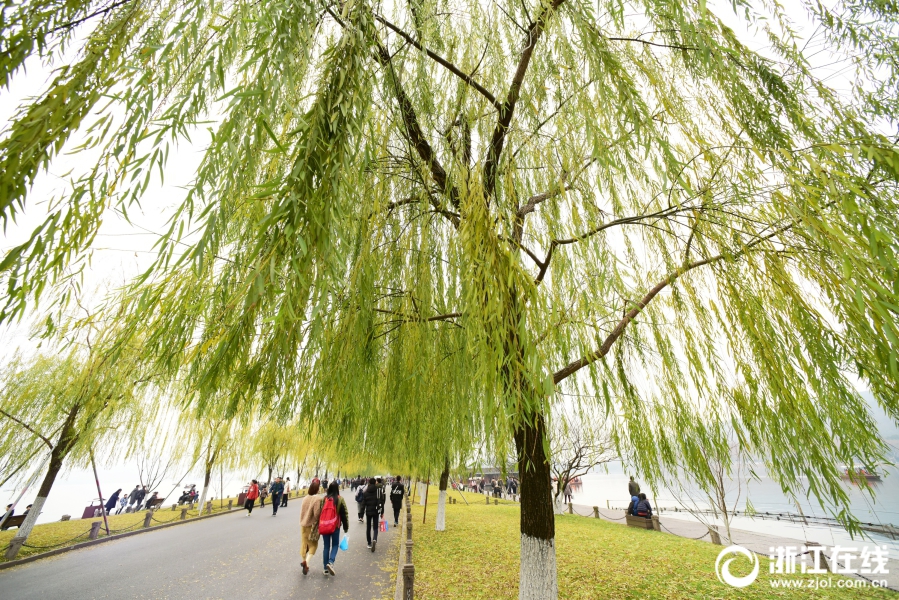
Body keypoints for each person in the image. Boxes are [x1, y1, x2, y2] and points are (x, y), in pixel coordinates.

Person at [319, 481, 349, 576]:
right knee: (335, 544)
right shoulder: (340, 499)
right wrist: (346, 527)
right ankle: (331, 562)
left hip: (325, 525)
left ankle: (325, 568)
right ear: (337, 489)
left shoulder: (324, 499)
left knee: (326, 546)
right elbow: (344, 514)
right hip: (335, 526)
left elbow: (320, 512)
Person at [299, 479, 322, 576]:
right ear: (317, 490)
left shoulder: (305, 498)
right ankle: (306, 563)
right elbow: (317, 514)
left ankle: (303, 560)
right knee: (313, 545)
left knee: (304, 544)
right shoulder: (318, 499)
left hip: (303, 524)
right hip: (312, 525)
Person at [363, 477, 384, 552]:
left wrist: (361, 514)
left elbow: (363, 504)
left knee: (368, 527)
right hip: (376, 511)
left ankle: (369, 543)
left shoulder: (366, 492)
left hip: (368, 512)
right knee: (375, 527)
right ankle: (374, 539)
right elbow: (381, 502)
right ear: (375, 483)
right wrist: (382, 512)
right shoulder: (378, 491)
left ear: (369, 483)